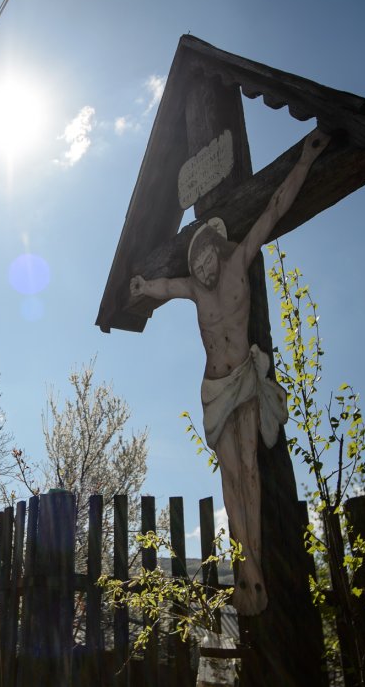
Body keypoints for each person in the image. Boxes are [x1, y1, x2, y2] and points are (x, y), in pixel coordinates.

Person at [130, 127, 329, 616]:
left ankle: (256, 565)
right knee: (228, 475)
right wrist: (140, 285)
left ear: (218, 249)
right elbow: (165, 286)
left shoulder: (240, 261)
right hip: (213, 388)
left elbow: (273, 209)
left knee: (248, 468)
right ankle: (245, 566)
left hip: (241, 376)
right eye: (194, 260)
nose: (200, 265)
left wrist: (303, 161)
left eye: (204, 255)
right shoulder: (195, 289)